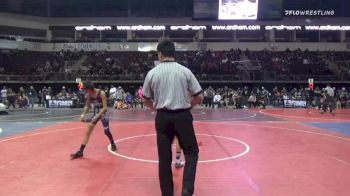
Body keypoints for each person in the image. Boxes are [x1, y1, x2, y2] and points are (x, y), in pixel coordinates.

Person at [142, 40, 204, 196]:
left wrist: (156, 108)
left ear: (160, 54)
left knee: (164, 160)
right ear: (173, 54)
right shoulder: (185, 71)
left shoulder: (152, 73)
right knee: (191, 152)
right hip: (182, 116)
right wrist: (188, 106)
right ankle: (187, 190)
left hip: (162, 117)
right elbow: (199, 96)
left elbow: (145, 98)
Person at [70, 81, 117, 159]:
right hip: (96, 113)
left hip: (102, 113)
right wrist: (83, 114)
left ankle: (112, 143)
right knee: (88, 131)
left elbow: (105, 108)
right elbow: (87, 106)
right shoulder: (89, 94)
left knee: (106, 131)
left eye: (86, 89)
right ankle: (81, 151)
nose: (85, 91)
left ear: (89, 88)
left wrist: (98, 115)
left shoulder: (101, 93)